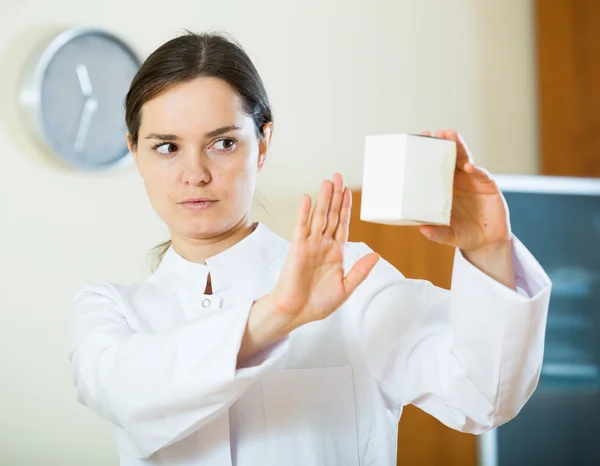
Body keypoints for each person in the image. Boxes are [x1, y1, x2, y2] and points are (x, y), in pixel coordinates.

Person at [68, 31, 551, 466]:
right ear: (135, 151)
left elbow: (483, 396)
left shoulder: (352, 280)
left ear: (263, 142)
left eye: (222, 143)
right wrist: (281, 314)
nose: (194, 173)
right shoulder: (109, 310)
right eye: (167, 147)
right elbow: (130, 394)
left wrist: (489, 250)